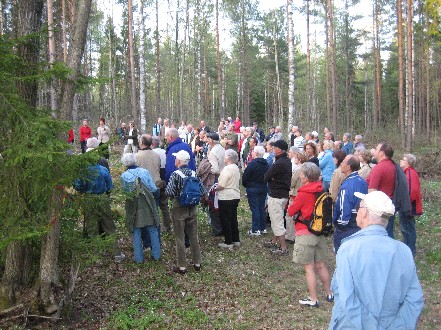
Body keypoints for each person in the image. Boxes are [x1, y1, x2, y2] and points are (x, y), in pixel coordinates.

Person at [329, 191, 424, 329]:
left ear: (365, 213)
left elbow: (347, 300)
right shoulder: (403, 251)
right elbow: (414, 300)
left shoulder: (349, 249)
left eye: (359, 208)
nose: (357, 212)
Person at [287, 162, 333, 307]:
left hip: (305, 233)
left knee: (309, 268)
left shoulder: (303, 193)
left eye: (301, 174)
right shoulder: (321, 190)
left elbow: (290, 211)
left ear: (306, 177)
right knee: (321, 265)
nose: (300, 175)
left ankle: (313, 299)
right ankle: (329, 293)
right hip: (318, 232)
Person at [74, 151, 124, 262]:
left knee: (92, 228)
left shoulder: (83, 172)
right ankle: (117, 254)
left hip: (89, 199)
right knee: (109, 225)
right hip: (103, 198)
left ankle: (97, 257)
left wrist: (83, 190)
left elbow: (77, 186)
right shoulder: (104, 170)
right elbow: (110, 186)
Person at [165, 150, 205, 274]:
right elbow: (203, 192)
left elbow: (169, 192)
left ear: (178, 161)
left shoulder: (175, 175)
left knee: (179, 237)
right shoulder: (194, 173)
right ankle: (197, 263)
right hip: (192, 207)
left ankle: (182, 266)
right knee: (193, 236)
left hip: (179, 208)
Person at [121, 153, 161, 262]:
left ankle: (138, 259)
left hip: (133, 206)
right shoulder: (144, 172)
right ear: (135, 161)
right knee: (152, 229)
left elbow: (125, 192)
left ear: (125, 163)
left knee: (136, 231)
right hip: (147, 204)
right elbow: (153, 188)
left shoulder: (124, 176)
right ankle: (156, 255)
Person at [366, 142, 411, 238]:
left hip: (379, 208)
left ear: (381, 153)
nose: (374, 151)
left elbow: (372, 191)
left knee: (381, 232)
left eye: (376, 149)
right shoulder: (393, 165)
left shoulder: (379, 168)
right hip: (390, 205)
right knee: (388, 229)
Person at [332, 155, 368, 253]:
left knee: (342, 254)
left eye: (343, 162)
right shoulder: (362, 181)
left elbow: (344, 207)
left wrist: (340, 224)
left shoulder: (347, 186)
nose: (341, 164)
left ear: (348, 167)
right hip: (359, 222)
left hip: (348, 225)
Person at [263, 140, 292, 256]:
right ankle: (274, 240)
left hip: (277, 194)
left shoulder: (279, 163)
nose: (272, 150)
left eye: (274, 148)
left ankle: (283, 247)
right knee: (277, 217)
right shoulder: (287, 160)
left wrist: (272, 178)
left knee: (277, 220)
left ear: (279, 150)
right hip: (283, 193)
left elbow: (266, 176)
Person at [242, 146, 270, 236]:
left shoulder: (252, 164)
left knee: (255, 209)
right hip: (263, 187)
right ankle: (263, 228)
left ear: (256, 153)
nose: (252, 153)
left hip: (253, 188)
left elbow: (245, 176)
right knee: (261, 207)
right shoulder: (266, 164)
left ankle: (256, 229)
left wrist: (246, 185)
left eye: (253, 151)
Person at [216, 149, 241, 249]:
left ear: (228, 158)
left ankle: (228, 242)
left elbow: (222, 185)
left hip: (226, 197)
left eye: (225, 157)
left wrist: (214, 189)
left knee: (225, 219)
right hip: (235, 195)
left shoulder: (227, 169)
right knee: (233, 219)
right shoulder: (235, 167)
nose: (224, 158)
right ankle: (236, 240)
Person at [398, 153, 423, 255]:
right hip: (405, 205)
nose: (400, 161)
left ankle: (410, 249)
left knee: (408, 227)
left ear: (408, 163)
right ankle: (407, 246)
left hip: (408, 206)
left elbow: (413, 191)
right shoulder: (405, 172)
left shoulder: (410, 173)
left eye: (403, 159)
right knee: (405, 227)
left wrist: (405, 204)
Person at [152, 136, 172, 233]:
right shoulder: (165, 153)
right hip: (165, 179)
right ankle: (167, 227)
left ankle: (155, 226)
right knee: (164, 205)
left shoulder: (152, 154)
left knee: (154, 204)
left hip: (155, 180)